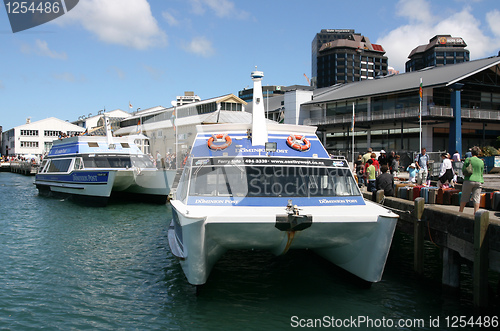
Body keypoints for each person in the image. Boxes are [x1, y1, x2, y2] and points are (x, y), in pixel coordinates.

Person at [459, 146, 484, 214]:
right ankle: (476, 213)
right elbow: (481, 172)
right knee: (476, 198)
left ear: (471, 152)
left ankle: (460, 212)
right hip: (479, 180)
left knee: (464, 196)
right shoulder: (481, 161)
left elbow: (463, 170)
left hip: (469, 180)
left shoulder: (468, 159)